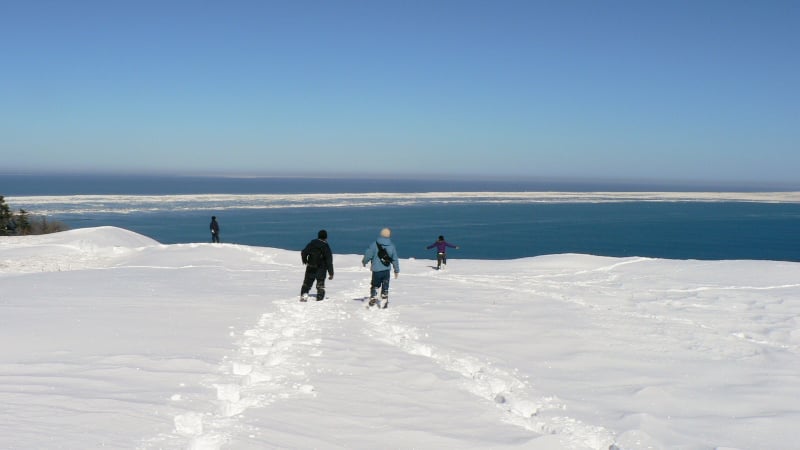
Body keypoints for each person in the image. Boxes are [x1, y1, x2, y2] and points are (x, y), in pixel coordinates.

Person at [362, 227, 399, 308]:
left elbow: (368, 254)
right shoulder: (392, 246)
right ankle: (384, 295)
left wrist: (364, 262)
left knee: (375, 284)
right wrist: (396, 270)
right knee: (385, 284)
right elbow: (395, 259)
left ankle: (373, 296)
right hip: (386, 270)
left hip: (376, 270)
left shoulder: (374, 244)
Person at [300, 229, 334, 302]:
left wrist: (305, 261)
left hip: (310, 267)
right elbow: (329, 261)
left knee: (307, 284)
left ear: (318, 236)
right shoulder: (326, 246)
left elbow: (304, 252)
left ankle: (304, 296)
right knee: (320, 285)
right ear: (326, 237)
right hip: (321, 268)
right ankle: (319, 299)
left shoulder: (312, 243)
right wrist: (331, 273)